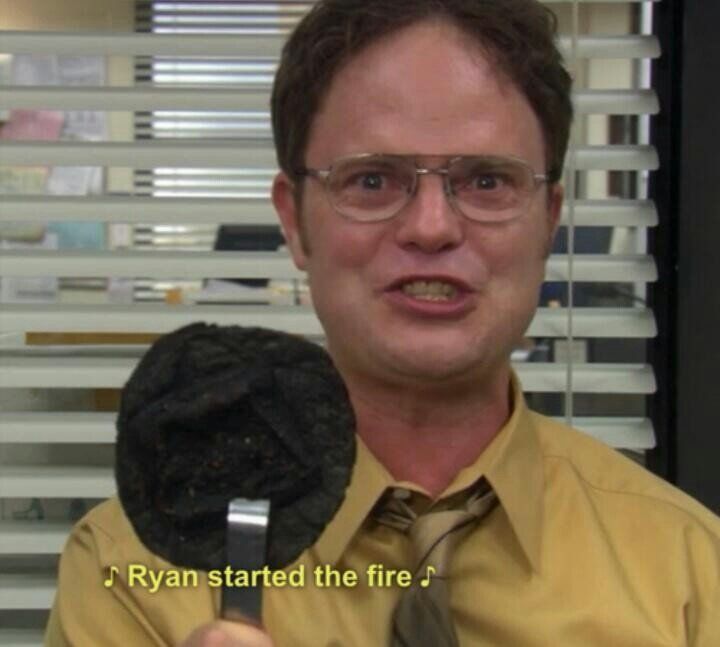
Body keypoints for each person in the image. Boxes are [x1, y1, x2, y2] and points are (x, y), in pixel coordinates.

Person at [46, 0, 720, 645]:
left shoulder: (690, 573)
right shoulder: (131, 575)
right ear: (294, 221)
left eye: (487, 180)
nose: (432, 226)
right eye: (372, 180)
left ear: (548, 220)